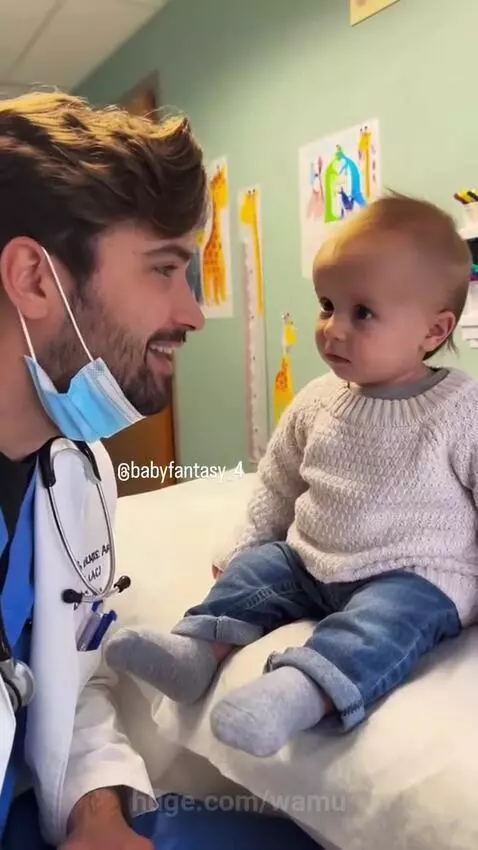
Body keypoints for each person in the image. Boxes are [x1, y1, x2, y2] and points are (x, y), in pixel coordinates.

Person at [0, 91, 321, 850]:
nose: (192, 312)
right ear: (36, 280)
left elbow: (71, 682)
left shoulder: (78, 476)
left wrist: (98, 815)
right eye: (165, 268)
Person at [107, 192, 478, 759]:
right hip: (311, 559)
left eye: (363, 313)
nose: (332, 328)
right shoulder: (316, 401)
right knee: (255, 572)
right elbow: (279, 483)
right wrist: (247, 541)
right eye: (326, 304)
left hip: (414, 572)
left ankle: (302, 689)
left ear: (434, 331)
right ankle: (195, 651)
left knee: (390, 621)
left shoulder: (461, 409)